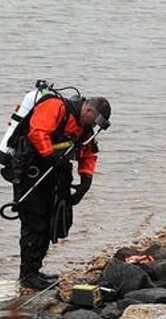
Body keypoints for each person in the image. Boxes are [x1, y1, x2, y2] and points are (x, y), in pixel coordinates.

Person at [11, 94, 111, 289]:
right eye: (95, 120)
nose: (94, 127)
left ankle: (35, 269)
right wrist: (50, 155)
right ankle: (27, 274)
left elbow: (88, 152)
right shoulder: (56, 107)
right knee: (35, 222)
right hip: (32, 172)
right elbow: (37, 132)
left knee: (52, 221)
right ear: (88, 110)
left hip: (54, 174)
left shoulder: (84, 127)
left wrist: (86, 180)